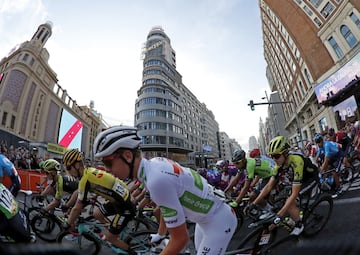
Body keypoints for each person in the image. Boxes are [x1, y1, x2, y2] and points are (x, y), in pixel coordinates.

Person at [93, 125, 237, 255]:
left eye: (108, 162)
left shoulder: (156, 180)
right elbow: (166, 206)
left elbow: (180, 239)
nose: (106, 170)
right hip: (205, 220)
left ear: (128, 156)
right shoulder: (153, 167)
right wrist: (161, 234)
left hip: (218, 221)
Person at [63, 148, 136, 254]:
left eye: (69, 168)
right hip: (119, 199)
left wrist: (68, 224)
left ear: (77, 165)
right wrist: (69, 204)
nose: (68, 172)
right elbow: (84, 191)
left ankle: (131, 252)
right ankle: (115, 230)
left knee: (111, 238)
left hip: (125, 205)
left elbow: (77, 208)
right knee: (97, 213)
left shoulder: (85, 179)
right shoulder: (89, 172)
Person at [249, 135, 318, 236]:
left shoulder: (296, 161)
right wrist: (254, 203)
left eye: (276, 156)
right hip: (297, 180)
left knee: (290, 203)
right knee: (285, 198)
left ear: (286, 153)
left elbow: (294, 193)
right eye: (271, 156)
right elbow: (268, 186)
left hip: (310, 179)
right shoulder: (278, 165)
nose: (274, 159)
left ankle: (299, 224)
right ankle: (298, 214)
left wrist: (280, 215)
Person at [314, 133, 352, 197]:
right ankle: (332, 181)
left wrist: (321, 169)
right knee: (328, 168)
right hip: (333, 156)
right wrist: (315, 165)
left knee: (334, 172)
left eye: (319, 142)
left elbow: (326, 159)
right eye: (316, 142)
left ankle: (339, 188)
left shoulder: (326, 145)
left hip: (338, 154)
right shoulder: (320, 146)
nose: (318, 144)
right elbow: (317, 157)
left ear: (322, 141)